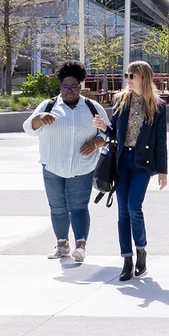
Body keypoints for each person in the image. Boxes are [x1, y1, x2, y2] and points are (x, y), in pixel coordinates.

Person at [23, 62, 109, 263]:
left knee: (78, 207)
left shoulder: (91, 107)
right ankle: (62, 244)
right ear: (60, 87)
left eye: (73, 87)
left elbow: (107, 131)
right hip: (52, 166)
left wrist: (95, 142)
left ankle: (80, 246)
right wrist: (39, 118)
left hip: (82, 166)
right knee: (57, 207)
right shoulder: (49, 106)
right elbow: (28, 128)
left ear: (80, 87)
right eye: (65, 87)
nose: (69, 91)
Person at [101, 60, 168, 282]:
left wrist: (162, 171)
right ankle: (127, 259)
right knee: (122, 213)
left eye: (132, 76)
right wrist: (104, 127)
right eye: (127, 75)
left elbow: (160, 141)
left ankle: (141, 249)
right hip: (122, 162)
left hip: (142, 163)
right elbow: (114, 132)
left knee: (133, 207)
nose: (128, 79)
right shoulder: (120, 100)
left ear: (144, 78)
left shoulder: (157, 105)